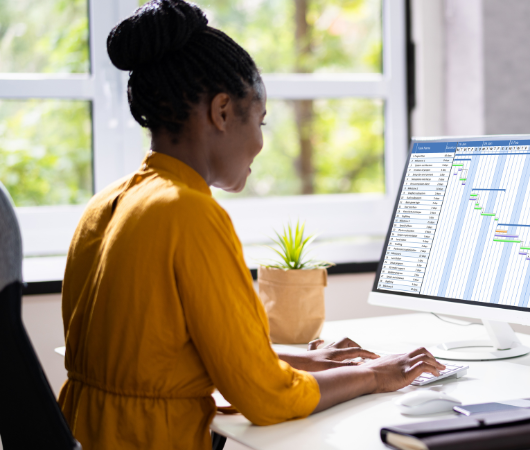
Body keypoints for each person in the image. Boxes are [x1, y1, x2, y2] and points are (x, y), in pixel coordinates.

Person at [58, 1, 445, 448]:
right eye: (259, 121)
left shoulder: (109, 201)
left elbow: (164, 356)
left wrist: (303, 361)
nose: (260, 143)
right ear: (222, 112)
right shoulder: (189, 213)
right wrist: (374, 374)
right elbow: (266, 398)